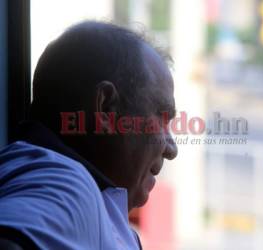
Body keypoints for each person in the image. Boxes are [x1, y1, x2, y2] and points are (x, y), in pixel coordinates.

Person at [0, 21, 177, 250]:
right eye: (161, 118)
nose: (171, 148)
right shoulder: (64, 183)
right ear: (106, 108)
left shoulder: (83, 195)